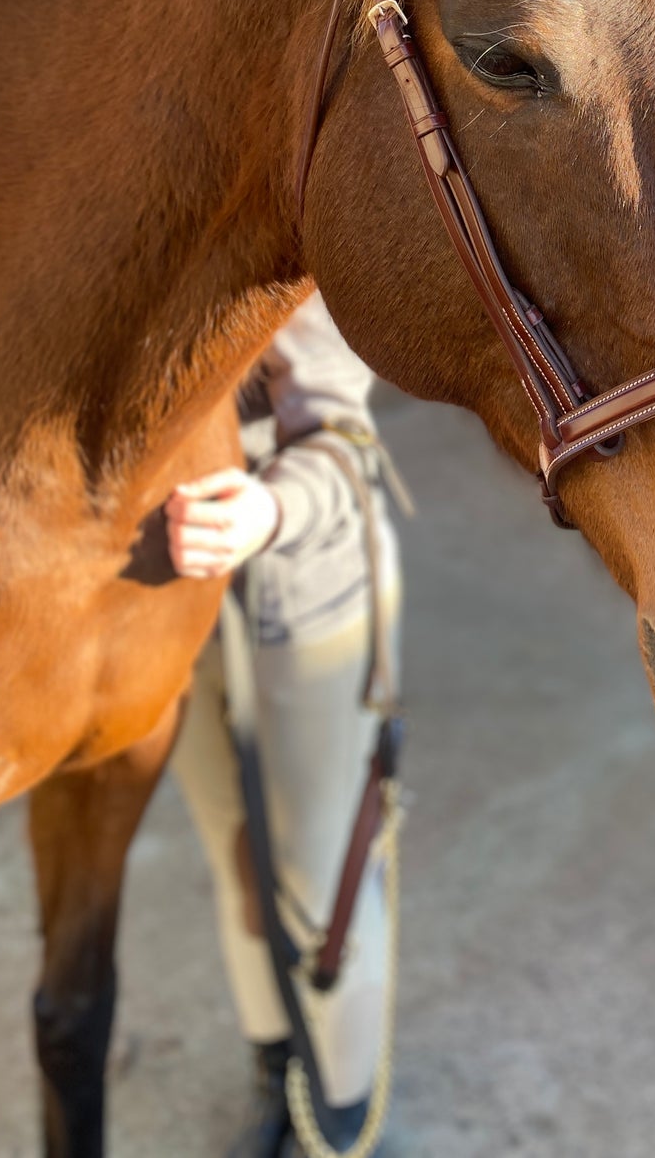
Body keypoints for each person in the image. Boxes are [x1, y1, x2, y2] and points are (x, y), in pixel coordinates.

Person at [169, 293, 403, 1158]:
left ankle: (340, 1123)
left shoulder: (282, 208)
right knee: (236, 856)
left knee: (322, 887)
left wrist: (266, 512)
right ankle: (277, 1078)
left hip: (306, 593)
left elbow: (345, 439)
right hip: (177, 611)